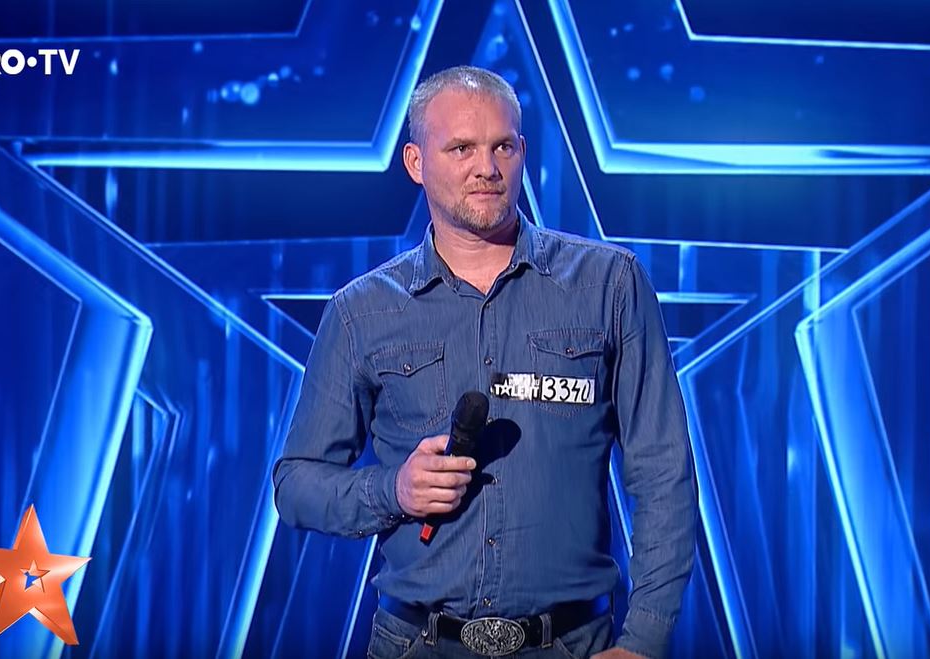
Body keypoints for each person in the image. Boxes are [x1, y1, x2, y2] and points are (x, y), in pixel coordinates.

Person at [272, 65, 696, 659]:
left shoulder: (609, 284)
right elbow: (296, 486)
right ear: (416, 162)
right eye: (462, 148)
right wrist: (394, 490)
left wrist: (645, 639)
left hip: (571, 643)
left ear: (523, 152)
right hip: (417, 644)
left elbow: (663, 471)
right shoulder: (360, 311)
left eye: (503, 147)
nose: (487, 168)